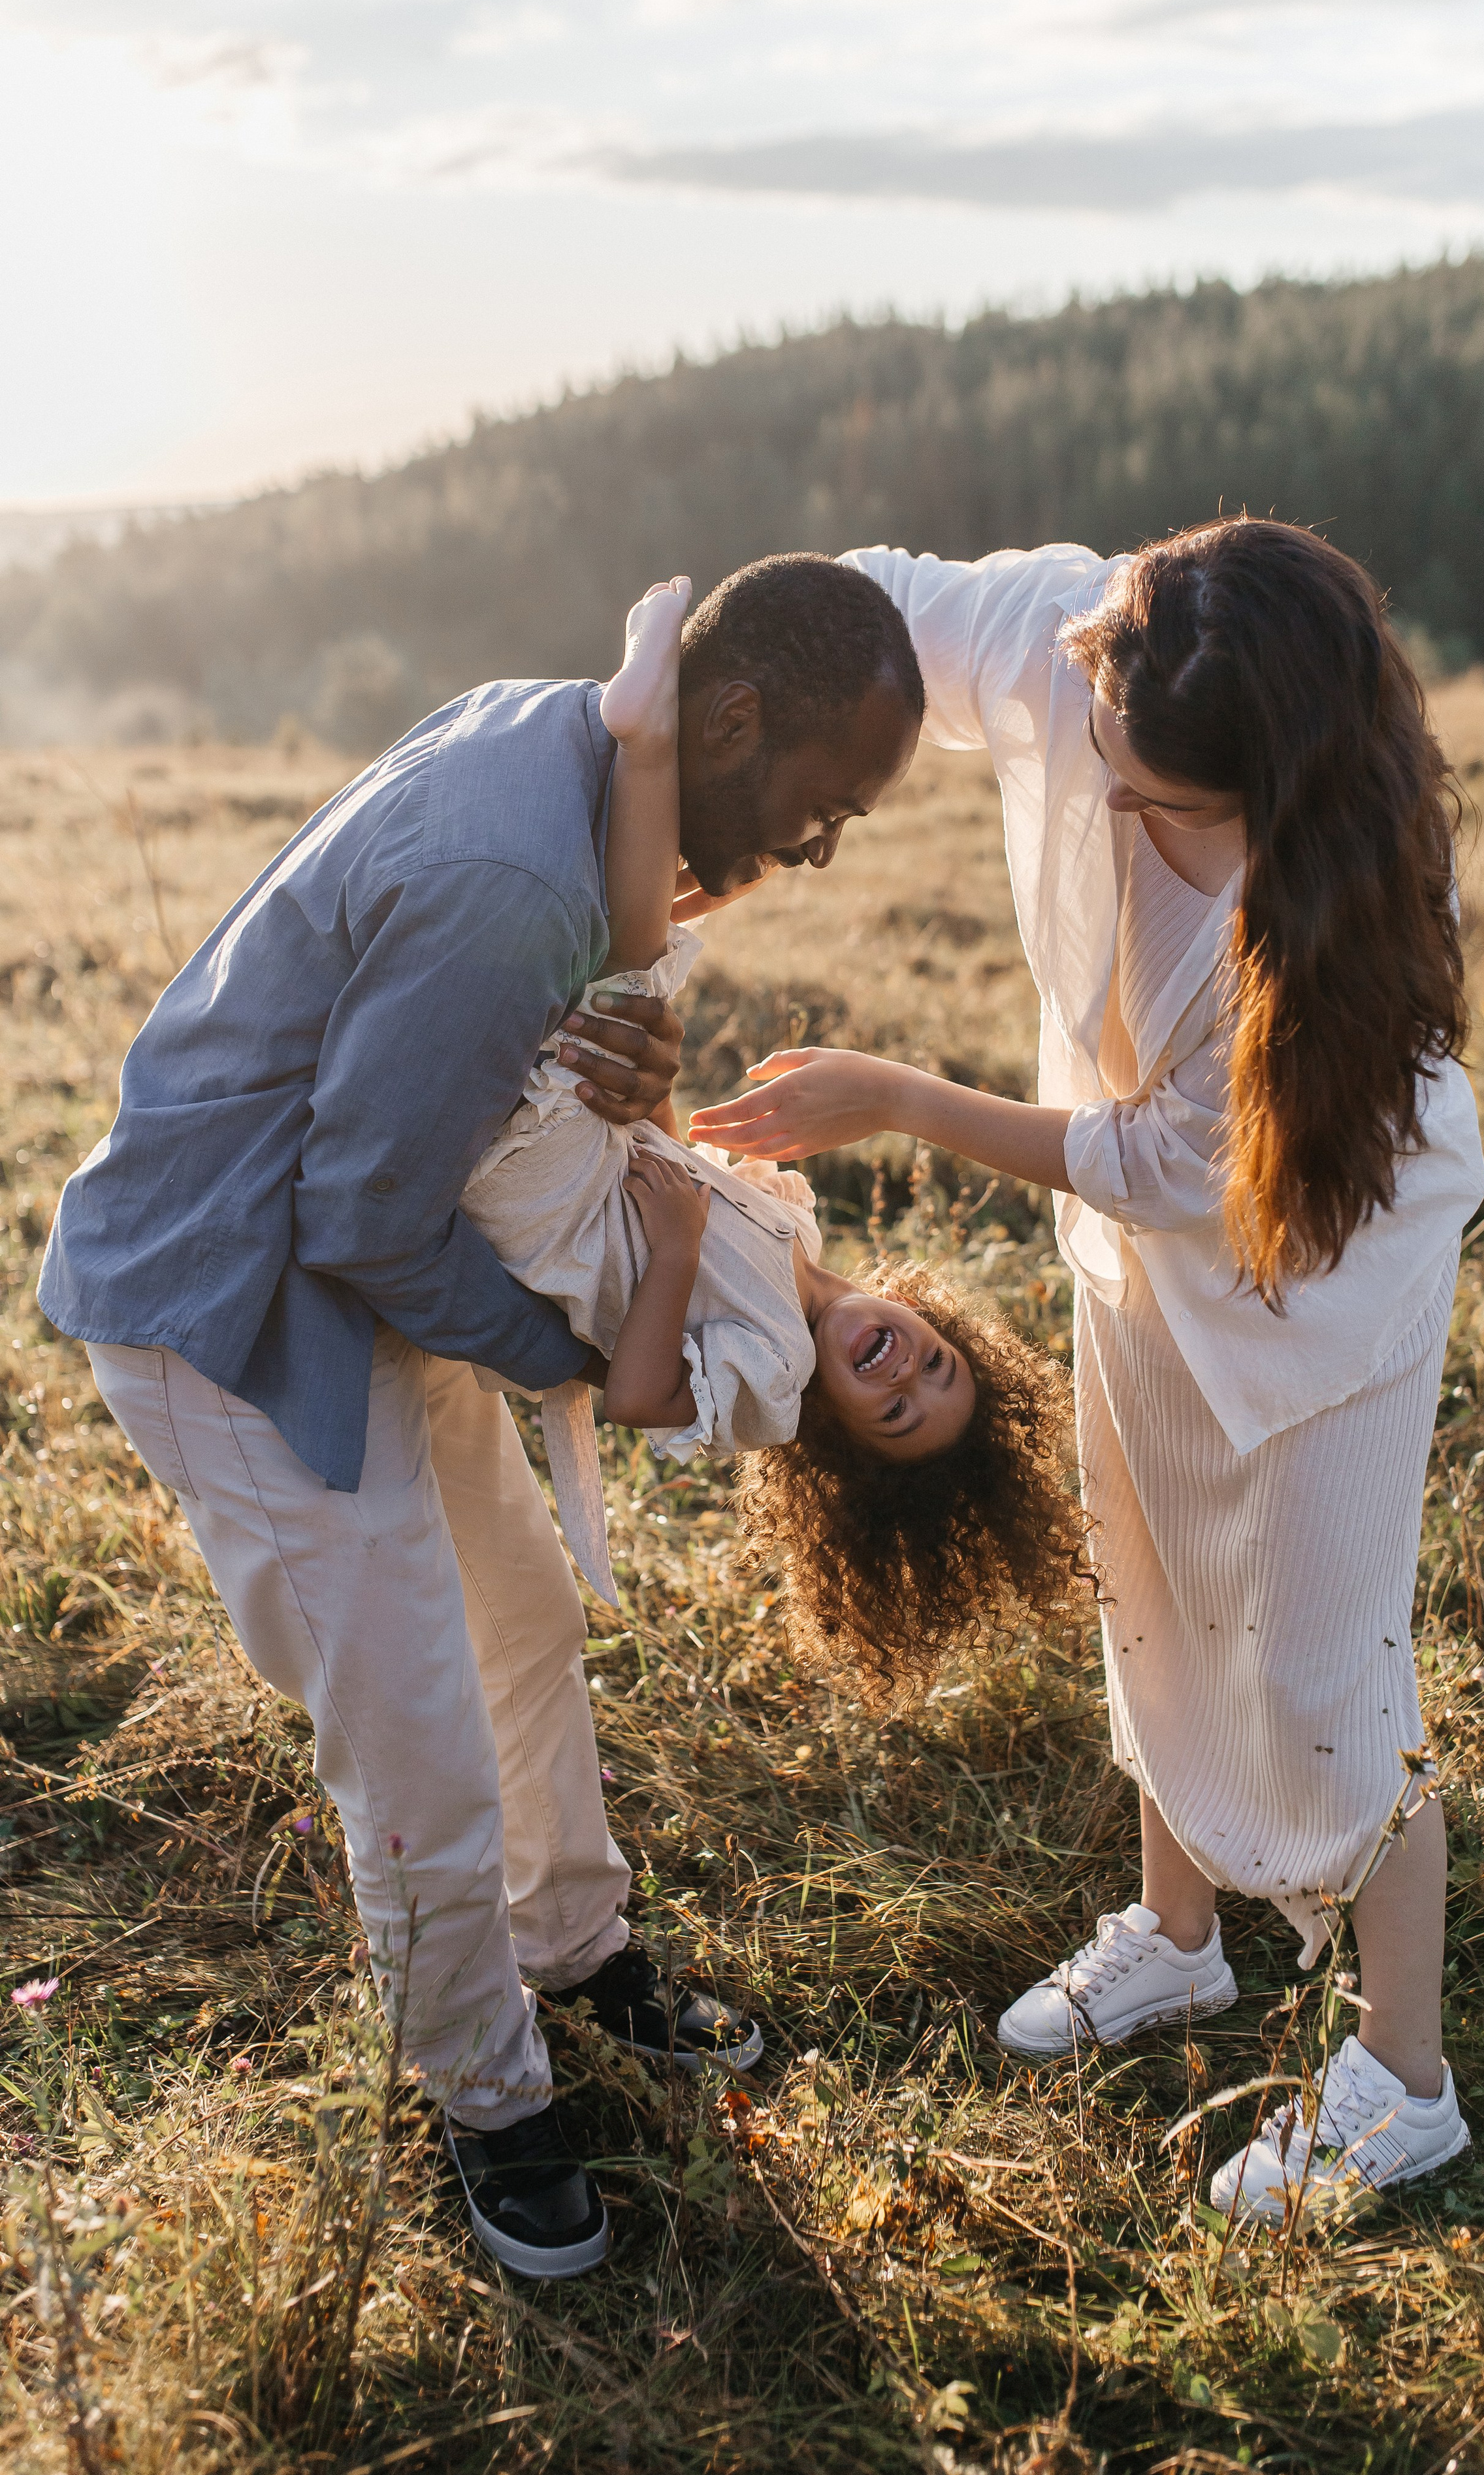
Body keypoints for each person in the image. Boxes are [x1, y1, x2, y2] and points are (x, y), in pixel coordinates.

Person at [38, 553, 924, 2281]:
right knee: (417, 1722)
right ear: (728, 717)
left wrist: (631, 1082)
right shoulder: (516, 873)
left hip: (375, 1257)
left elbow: (477, 1101)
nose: (820, 851)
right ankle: (486, 2090)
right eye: (822, 810)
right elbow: (361, 1217)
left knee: (517, 1607)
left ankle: (576, 1948)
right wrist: (577, 1357)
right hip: (237, 1305)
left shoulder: (590, 761)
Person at [689, 517, 1484, 2229]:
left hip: (1315, 1283)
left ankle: (1405, 2085)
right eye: (1107, 768)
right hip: (1137, 1266)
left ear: (1275, 784)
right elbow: (857, 609)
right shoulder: (1078, 635)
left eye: (1160, 804)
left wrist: (896, 1095)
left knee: (1321, 1682)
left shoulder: (1330, 921)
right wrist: (674, 768)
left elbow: (1160, 1161)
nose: (1114, 812)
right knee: (1152, 1592)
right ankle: (1179, 1944)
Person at [462, 577, 1084, 1701]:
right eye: (937, 1365)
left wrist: (683, 1253)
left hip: (542, 1201)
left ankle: (643, 735)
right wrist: (651, 1084)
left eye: (896, 1412)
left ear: (842, 1440)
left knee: (630, 959)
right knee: (631, 965)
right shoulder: (795, 1243)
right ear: (939, 1324)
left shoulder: (772, 1382)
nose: (904, 1373)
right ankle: (690, 796)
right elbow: (664, 1160)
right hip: (589, 1158)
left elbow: (639, 1398)